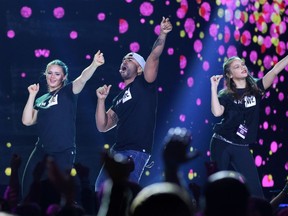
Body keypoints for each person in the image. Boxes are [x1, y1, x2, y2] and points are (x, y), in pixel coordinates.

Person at [94, 17, 173, 192]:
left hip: (135, 151)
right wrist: (101, 100)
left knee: (123, 193)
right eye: (123, 59)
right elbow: (103, 125)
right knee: (100, 190)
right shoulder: (119, 97)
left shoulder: (145, 83)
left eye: (130, 59)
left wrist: (162, 34)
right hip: (117, 150)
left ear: (139, 68)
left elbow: (154, 55)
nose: (124, 61)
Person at [21, 50, 105, 199]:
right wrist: (32, 95)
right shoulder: (41, 99)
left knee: (58, 194)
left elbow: (82, 79)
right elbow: (27, 121)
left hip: (62, 152)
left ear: (64, 77)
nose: (52, 76)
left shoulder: (68, 92)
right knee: (28, 189)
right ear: (45, 75)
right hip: (40, 151)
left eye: (57, 74)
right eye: (50, 73)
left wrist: (94, 64)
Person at [209, 55, 288, 198]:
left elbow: (275, 70)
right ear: (229, 75)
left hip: (241, 146)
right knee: (218, 190)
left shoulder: (256, 88)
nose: (242, 67)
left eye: (242, 64)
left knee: (257, 193)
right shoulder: (226, 95)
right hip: (221, 143)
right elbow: (217, 112)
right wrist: (213, 88)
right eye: (237, 67)